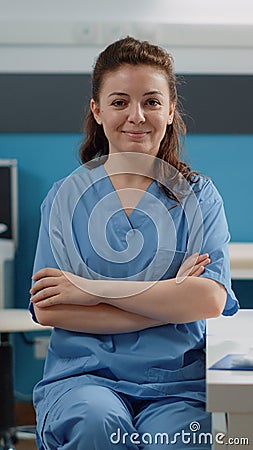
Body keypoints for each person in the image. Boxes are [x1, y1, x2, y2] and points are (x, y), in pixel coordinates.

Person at [29, 36, 239, 450]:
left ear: (170, 110)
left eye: (152, 101)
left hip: (178, 386)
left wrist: (91, 290)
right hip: (84, 380)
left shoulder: (198, 197)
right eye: (120, 101)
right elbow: (51, 307)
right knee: (95, 424)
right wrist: (169, 302)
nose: (137, 116)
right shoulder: (65, 199)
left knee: (177, 440)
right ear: (98, 110)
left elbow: (209, 300)